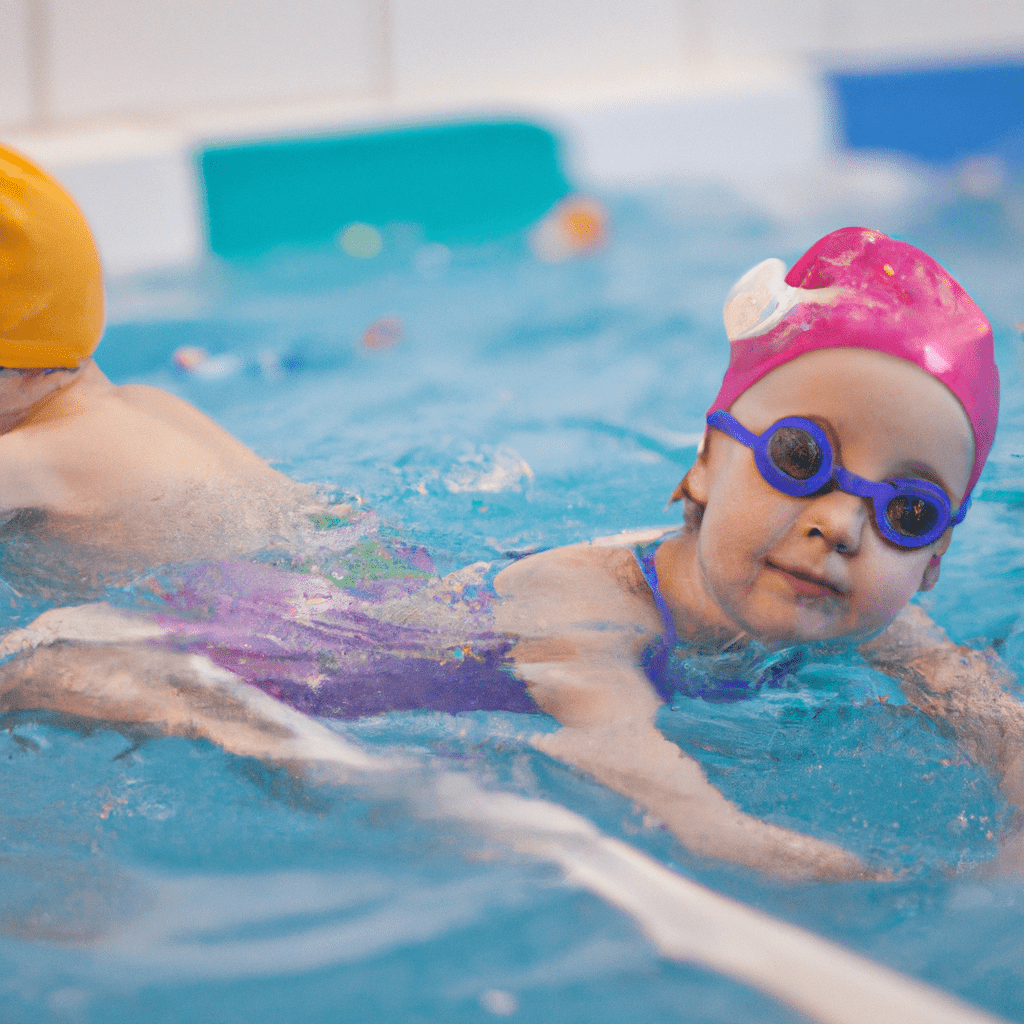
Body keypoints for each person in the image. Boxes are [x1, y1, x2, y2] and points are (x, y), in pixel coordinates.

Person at [0, 148, 1015, 879]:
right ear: (702, 463)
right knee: (49, 675)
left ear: (928, 566)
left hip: (368, 571)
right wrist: (899, 889)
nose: (844, 525)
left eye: (911, 512)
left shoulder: (871, 605)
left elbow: (982, 702)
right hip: (297, 647)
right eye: (802, 459)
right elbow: (666, 801)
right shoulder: (592, 615)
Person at [0, 143, 337, 595]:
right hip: (351, 580)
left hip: (254, 631)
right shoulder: (152, 405)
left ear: (29, 368)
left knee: (54, 662)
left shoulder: (37, 455)